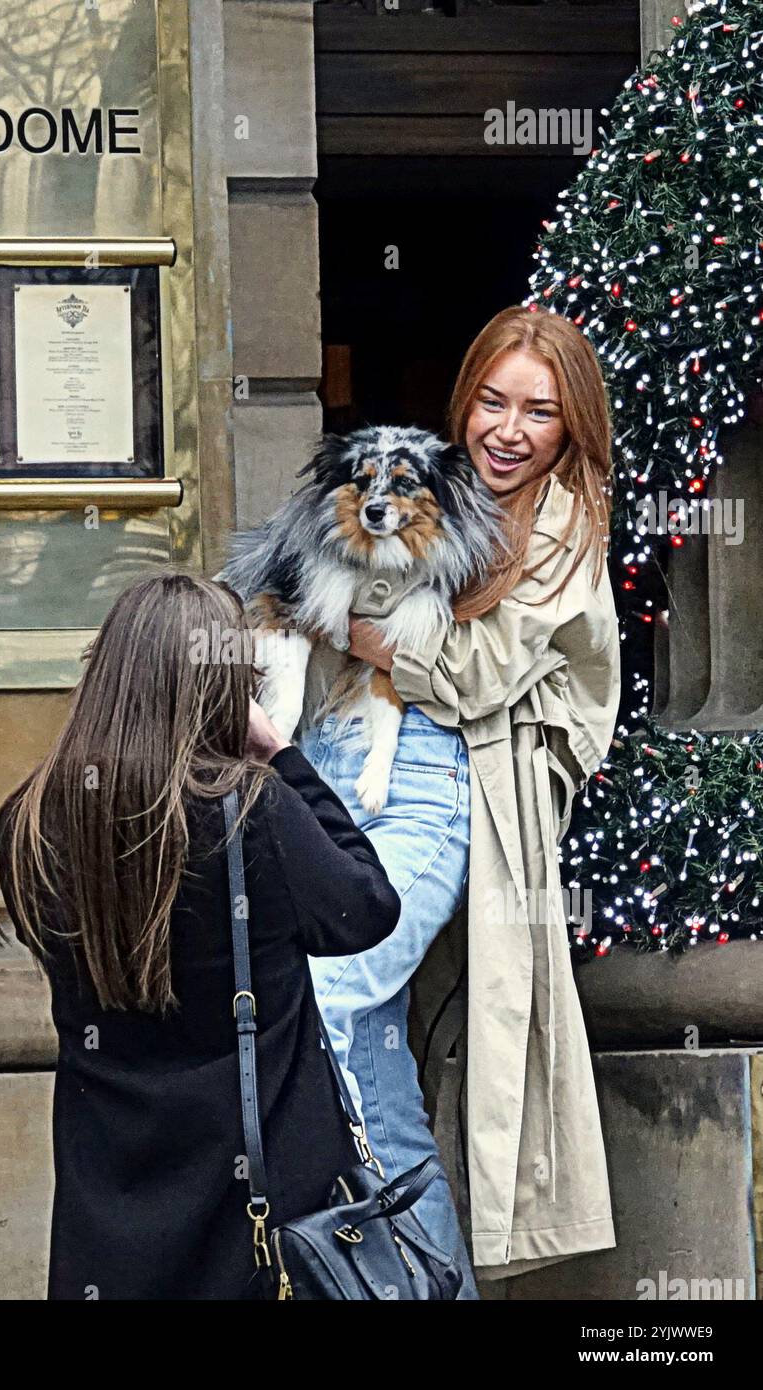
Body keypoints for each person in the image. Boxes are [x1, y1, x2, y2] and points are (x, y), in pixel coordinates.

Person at [300, 305, 622, 1282]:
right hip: (366, 768)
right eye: (491, 400)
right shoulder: (436, 491)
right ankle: (424, 1279)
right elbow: (329, 596)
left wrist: (384, 636)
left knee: (332, 1000)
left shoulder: (565, 520)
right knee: (373, 1039)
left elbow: (471, 674)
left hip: (466, 795)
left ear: (571, 429)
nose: (508, 430)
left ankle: (348, 1258)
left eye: (538, 412)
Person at [0, 572, 401, 1300]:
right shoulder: (251, 812)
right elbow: (365, 907)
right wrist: (281, 756)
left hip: (107, 1204)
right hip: (261, 1212)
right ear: (223, 690)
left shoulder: (34, 818)